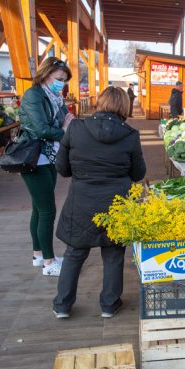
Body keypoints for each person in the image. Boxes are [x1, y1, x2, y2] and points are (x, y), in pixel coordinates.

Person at [52, 87, 146, 319]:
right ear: (125, 106)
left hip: (81, 201)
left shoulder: (75, 128)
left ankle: (62, 305)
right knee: (113, 255)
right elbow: (138, 173)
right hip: (116, 203)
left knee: (74, 253)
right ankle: (109, 305)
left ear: (100, 103)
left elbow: (62, 168)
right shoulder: (130, 134)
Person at [18, 57, 75, 276]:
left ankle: (39, 255)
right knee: (47, 210)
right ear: (46, 74)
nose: (62, 83)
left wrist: (64, 127)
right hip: (35, 158)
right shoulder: (33, 95)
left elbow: (66, 119)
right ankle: (49, 264)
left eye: (64, 80)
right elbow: (42, 129)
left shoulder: (55, 98)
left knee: (38, 208)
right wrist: (64, 130)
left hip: (49, 156)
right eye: (59, 78)